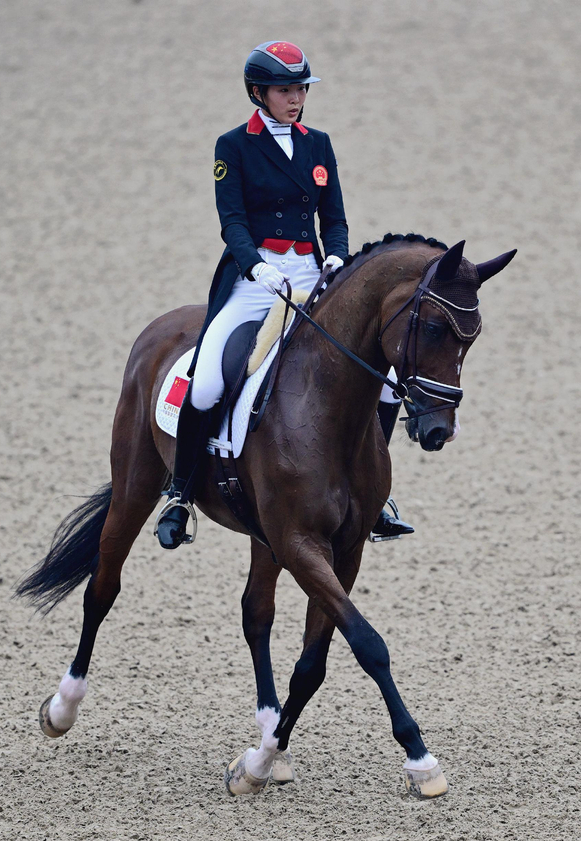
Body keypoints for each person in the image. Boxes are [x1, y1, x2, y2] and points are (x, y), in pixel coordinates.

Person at [156, 41, 413, 549]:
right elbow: (231, 220)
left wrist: (336, 255)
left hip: (312, 275)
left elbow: (333, 215)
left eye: (300, 89)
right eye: (284, 90)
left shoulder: (318, 143)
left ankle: (373, 494)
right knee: (206, 382)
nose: (294, 98)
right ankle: (181, 494)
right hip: (256, 280)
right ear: (259, 93)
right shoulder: (232, 145)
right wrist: (255, 265)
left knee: (381, 379)